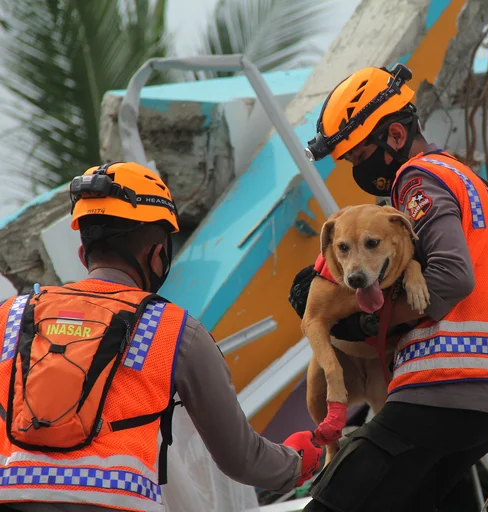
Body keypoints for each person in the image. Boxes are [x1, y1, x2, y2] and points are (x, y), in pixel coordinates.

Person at [0, 162, 323, 512]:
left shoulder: (11, 315)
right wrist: (297, 463)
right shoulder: (175, 331)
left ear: (83, 255)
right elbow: (242, 459)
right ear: (157, 256)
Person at [293, 63, 488, 512]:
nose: (358, 172)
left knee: (335, 501)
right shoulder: (470, 182)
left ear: (396, 139)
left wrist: (367, 322)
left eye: (361, 158)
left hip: (444, 385)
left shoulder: (417, 179)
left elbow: (453, 276)